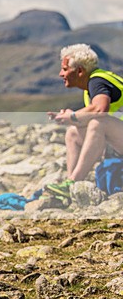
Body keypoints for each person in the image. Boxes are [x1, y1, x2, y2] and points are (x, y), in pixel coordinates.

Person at [46, 43, 123, 199]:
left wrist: (73, 116)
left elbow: (100, 110)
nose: (61, 74)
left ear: (80, 71)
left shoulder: (97, 81)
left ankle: (74, 180)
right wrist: (71, 118)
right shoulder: (92, 86)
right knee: (73, 133)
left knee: (98, 123)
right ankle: (70, 188)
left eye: (65, 69)